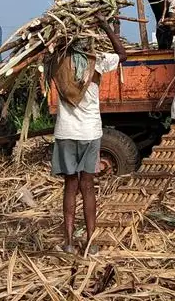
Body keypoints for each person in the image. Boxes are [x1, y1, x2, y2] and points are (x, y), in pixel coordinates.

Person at [50, 13, 127, 256]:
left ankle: (70, 242)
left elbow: (46, 50)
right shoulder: (98, 61)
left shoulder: (59, 62)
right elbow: (123, 54)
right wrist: (106, 26)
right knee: (88, 186)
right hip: (90, 133)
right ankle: (91, 241)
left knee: (70, 186)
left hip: (66, 133)